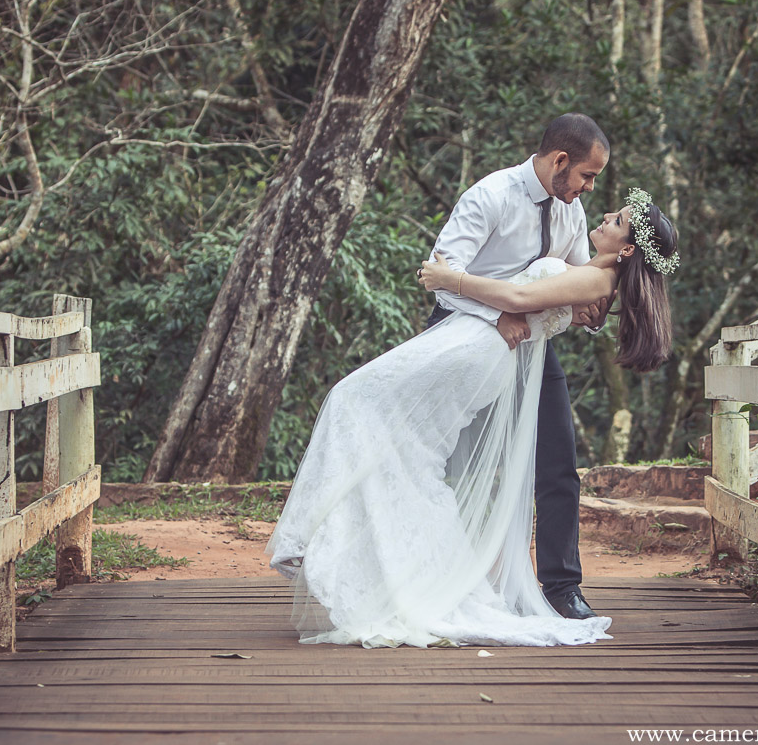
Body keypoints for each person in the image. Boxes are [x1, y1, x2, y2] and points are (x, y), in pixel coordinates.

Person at [266, 186, 679, 649]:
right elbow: (545, 299)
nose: (604, 216)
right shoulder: (587, 271)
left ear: (626, 249)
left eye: (618, 220)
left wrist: (453, 280)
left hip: (477, 350)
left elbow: (520, 295)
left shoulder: (597, 281)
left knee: (356, 401)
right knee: (398, 441)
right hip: (472, 339)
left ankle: (323, 544)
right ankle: (354, 557)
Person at [424, 113, 612, 620]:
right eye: (587, 176)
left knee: (558, 463)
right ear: (560, 161)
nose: (588, 188)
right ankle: (429, 573)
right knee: (437, 461)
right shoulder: (489, 196)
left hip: (531, 349)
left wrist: (591, 312)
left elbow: (569, 288)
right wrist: (498, 312)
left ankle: (561, 586)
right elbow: (440, 275)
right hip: (458, 340)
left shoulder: (572, 212)